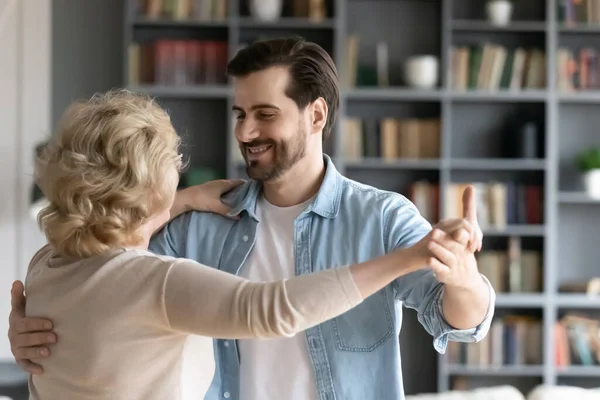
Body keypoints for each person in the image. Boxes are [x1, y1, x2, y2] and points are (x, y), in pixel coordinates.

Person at [9, 37, 495, 400]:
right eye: (240, 113)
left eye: (265, 113)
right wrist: (34, 323)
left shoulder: (382, 217)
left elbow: (458, 322)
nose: (246, 131)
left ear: (317, 115)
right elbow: (99, 266)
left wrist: (465, 280)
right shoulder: (203, 218)